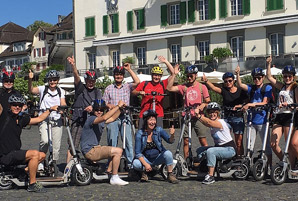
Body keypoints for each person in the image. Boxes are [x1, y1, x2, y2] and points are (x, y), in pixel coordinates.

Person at [0, 94, 58, 192]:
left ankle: (24, 171)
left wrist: (50, 110)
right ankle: (32, 184)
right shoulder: (4, 115)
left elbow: (39, 119)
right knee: (34, 154)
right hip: (5, 155)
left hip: (15, 153)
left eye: (19, 105)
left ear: (23, 107)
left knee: (42, 155)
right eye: (14, 105)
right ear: (10, 105)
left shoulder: (22, 119)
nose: (17, 107)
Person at [80, 99, 129, 185]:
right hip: (90, 151)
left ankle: (109, 170)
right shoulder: (91, 119)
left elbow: (113, 118)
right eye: (97, 110)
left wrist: (120, 109)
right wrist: (117, 106)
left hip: (95, 148)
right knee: (118, 151)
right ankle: (114, 177)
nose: (99, 111)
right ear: (93, 110)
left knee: (112, 150)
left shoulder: (100, 121)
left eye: (101, 110)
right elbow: (105, 117)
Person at [167, 65, 210, 159]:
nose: (189, 78)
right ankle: (187, 161)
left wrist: (201, 107)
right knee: (186, 140)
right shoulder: (184, 87)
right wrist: (174, 74)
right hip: (186, 116)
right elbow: (169, 88)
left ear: (196, 75)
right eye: (188, 76)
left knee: (202, 139)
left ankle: (207, 159)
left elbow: (207, 101)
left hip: (199, 117)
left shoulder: (202, 87)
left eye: (191, 76)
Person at [201, 71, 248, 157]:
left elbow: (246, 103)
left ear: (234, 81)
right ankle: (228, 156)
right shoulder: (224, 91)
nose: (228, 83)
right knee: (225, 139)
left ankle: (240, 159)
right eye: (225, 81)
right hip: (227, 118)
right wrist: (206, 81)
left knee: (239, 141)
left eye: (230, 81)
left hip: (238, 118)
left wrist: (240, 106)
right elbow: (214, 88)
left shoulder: (240, 91)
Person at [103, 63, 140, 168]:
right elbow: (104, 103)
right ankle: (111, 164)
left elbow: (137, 82)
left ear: (123, 76)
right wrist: (109, 105)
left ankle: (130, 163)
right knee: (112, 142)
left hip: (125, 117)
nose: (118, 76)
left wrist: (129, 70)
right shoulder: (109, 88)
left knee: (128, 141)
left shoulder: (127, 86)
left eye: (120, 74)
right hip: (112, 118)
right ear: (114, 75)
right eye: (117, 74)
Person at [28, 69, 66, 170]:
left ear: (57, 80)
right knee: (45, 141)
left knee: (56, 145)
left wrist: (63, 108)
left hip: (56, 120)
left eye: (54, 79)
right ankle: (40, 160)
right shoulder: (42, 89)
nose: (52, 82)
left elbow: (63, 102)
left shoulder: (60, 91)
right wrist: (30, 79)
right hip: (43, 119)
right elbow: (31, 90)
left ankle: (53, 162)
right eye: (50, 80)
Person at [235, 66, 273, 167]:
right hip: (251, 121)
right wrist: (237, 74)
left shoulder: (267, 88)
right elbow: (240, 85)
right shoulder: (252, 88)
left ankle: (269, 166)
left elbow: (264, 102)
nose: (256, 80)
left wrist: (250, 105)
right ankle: (248, 166)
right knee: (249, 146)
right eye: (255, 78)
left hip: (263, 121)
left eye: (259, 78)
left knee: (267, 146)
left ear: (263, 78)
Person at [66, 56, 102, 163]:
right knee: (73, 144)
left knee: (92, 145)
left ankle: (92, 164)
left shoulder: (97, 92)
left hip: (91, 122)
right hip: (78, 120)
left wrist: (93, 107)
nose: (91, 83)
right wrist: (73, 65)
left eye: (93, 81)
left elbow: (100, 105)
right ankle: (68, 167)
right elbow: (76, 76)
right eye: (89, 81)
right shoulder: (80, 88)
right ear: (85, 80)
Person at [266, 56, 298, 171]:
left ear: (293, 77)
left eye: (289, 76)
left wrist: (289, 105)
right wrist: (268, 64)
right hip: (279, 115)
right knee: (273, 143)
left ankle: (293, 167)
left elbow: (297, 105)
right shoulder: (282, 86)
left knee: (289, 145)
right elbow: (269, 77)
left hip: (290, 116)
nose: (287, 78)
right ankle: (285, 162)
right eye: (285, 76)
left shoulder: (295, 88)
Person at [195, 102, 237, 185]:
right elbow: (206, 122)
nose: (212, 114)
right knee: (200, 150)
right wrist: (202, 105)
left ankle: (211, 176)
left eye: (214, 112)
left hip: (229, 149)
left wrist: (198, 115)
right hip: (220, 147)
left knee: (211, 151)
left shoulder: (221, 122)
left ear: (218, 113)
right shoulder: (211, 122)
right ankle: (203, 169)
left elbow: (209, 123)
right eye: (210, 112)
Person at [133, 109, 178, 184]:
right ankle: (144, 173)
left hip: (157, 157)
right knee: (136, 163)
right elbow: (137, 153)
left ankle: (170, 174)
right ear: (145, 121)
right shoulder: (140, 134)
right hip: (146, 159)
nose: (153, 122)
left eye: (154, 120)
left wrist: (172, 135)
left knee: (168, 153)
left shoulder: (158, 130)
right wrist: (146, 164)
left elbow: (169, 141)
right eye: (150, 120)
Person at [132, 56, 175, 128]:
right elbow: (133, 92)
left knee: (158, 133)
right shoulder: (144, 83)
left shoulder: (162, 84)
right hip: (145, 113)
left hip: (158, 113)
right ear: (152, 75)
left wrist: (166, 62)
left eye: (158, 76)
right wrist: (140, 92)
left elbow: (173, 73)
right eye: (155, 75)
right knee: (142, 134)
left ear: (161, 76)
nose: (157, 77)